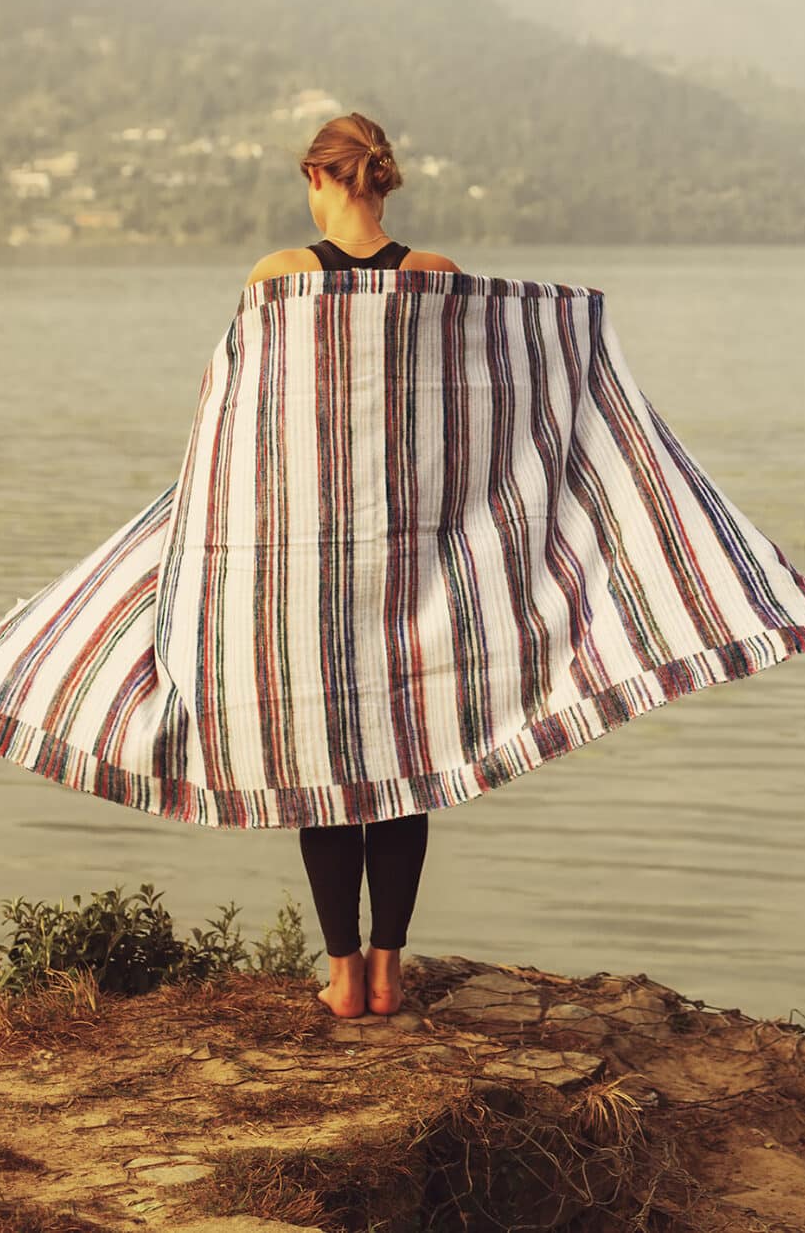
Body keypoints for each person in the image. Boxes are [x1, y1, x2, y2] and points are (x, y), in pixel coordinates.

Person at [245, 111, 463, 1019]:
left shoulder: (277, 280)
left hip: (313, 555)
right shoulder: (438, 279)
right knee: (405, 759)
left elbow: (251, 422)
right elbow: (475, 412)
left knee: (326, 758)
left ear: (318, 178)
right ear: (381, 178)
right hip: (410, 550)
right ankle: (388, 967)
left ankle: (339, 977)